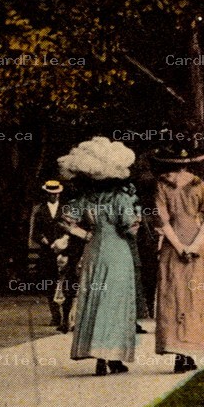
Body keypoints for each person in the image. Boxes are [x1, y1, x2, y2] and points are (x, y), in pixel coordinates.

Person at [57, 137, 140, 375]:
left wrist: (85, 235)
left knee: (95, 300)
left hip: (93, 250)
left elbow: (65, 221)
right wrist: (136, 222)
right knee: (115, 303)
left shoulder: (85, 199)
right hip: (117, 253)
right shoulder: (120, 198)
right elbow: (128, 227)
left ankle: (99, 357)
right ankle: (112, 357)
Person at [152, 146, 204, 373]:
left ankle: (178, 353)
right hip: (199, 246)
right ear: (189, 164)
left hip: (173, 248)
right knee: (195, 298)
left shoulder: (162, 185)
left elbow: (162, 221)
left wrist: (179, 247)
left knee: (173, 297)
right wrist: (194, 245)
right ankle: (190, 351)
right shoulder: (200, 185)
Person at [28, 179, 80, 331]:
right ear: (47, 194)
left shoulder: (65, 209)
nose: (54, 196)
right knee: (50, 283)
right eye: (51, 194)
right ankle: (55, 315)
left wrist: (62, 241)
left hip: (64, 250)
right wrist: (46, 241)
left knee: (66, 282)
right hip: (47, 251)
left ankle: (65, 316)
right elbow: (36, 232)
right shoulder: (40, 210)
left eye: (56, 193)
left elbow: (71, 228)